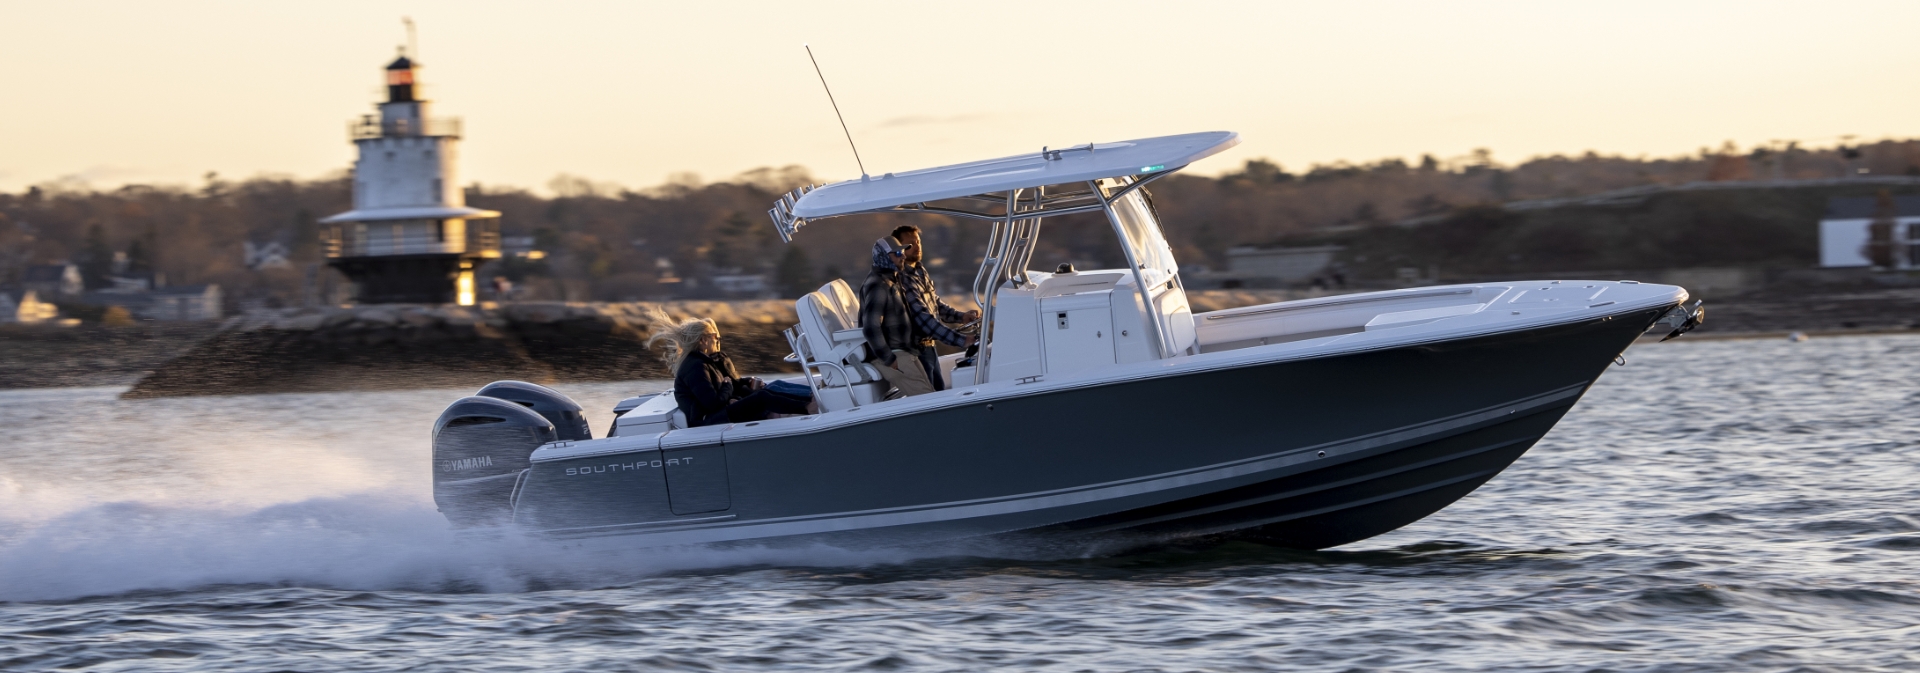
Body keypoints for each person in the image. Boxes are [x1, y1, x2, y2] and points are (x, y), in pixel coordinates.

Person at [857, 228, 978, 397]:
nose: (902, 256)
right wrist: (888, 359)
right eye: (897, 253)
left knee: (932, 395)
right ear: (883, 256)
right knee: (927, 398)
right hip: (897, 353)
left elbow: (933, 303)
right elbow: (871, 327)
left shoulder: (894, 280)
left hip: (907, 351)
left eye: (902, 251)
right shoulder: (879, 285)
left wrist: (961, 317)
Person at [645, 307, 811, 427]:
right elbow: (712, 403)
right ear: (703, 340)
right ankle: (810, 407)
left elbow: (720, 391)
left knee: (764, 393)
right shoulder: (695, 367)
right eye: (715, 337)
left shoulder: (704, 362)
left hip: (719, 413)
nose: (718, 339)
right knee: (762, 398)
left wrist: (733, 392)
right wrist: (727, 387)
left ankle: (810, 400)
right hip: (710, 420)